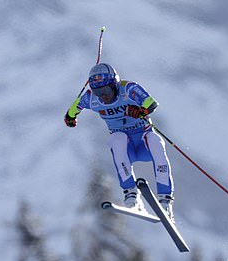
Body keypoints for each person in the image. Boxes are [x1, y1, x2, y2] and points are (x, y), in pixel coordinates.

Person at [64, 63, 174, 219]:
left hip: (143, 141)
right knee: (117, 138)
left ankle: (165, 200)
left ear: (114, 84)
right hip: (126, 146)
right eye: (98, 92)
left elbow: (151, 103)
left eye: (106, 90)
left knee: (155, 140)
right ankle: (130, 193)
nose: (103, 96)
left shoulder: (129, 89)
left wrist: (141, 110)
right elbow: (75, 107)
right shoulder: (91, 98)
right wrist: (70, 117)